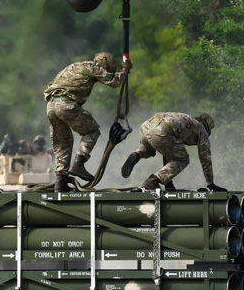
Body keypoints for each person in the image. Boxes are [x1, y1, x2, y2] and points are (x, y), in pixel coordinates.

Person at [43, 52, 128, 191]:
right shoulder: (93, 67)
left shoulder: (75, 66)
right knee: (92, 131)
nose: (106, 73)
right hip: (66, 104)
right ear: (104, 65)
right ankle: (79, 164)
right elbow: (114, 82)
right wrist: (125, 70)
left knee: (62, 143)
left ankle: (60, 183)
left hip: (51, 106)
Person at [120, 111, 222, 191]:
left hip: (146, 126)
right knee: (183, 160)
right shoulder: (201, 129)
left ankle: (137, 154)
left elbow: (169, 151)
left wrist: (168, 183)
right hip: (162, 131)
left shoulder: (187, 120)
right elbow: (205, 158)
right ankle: (152, 181)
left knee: (152, 149)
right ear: (208, 128)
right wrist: (210, 183)